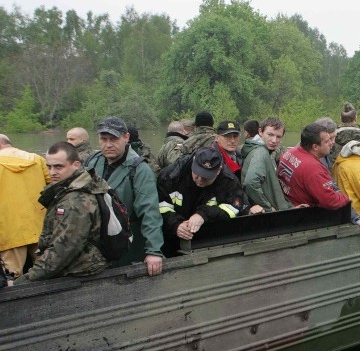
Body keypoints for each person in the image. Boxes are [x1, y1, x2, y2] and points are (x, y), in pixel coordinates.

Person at [17, 142, 109, 282]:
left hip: (79, 270)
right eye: (49, 166)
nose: (52, 172)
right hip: (75, 264)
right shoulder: (68, 188)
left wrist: (27, 279)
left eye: (59, 166)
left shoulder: (75, 201)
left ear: (76, 164)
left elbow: (64, 250)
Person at [85, 117, 164, 276]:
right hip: (97, 241)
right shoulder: (93, 161)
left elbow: (150, 212)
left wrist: (154, 251)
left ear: (126, 138)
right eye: (103, 139)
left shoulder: (140, 170)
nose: (108, 144)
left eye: (113, 139)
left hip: (127, 242)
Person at [157, 147, 262, 246]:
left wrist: (204, 214)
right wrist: (176, 225)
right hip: (170, 236)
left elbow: (234, 207)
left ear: (219, 170)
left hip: (209, 237)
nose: (200, 179)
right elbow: (160, 206)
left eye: (206, 177)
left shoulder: (229, 181)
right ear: (193, 162)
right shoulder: (171, 175)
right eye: (197, 173)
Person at [277, 123, 360, 230]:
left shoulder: (291, 152)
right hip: (305, 219)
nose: (331, 143)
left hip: (290, 206)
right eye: (327, 141)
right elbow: (330, 201)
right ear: (315, 147)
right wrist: (346, 198)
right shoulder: (313, 169)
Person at [0, 133, 51, 278]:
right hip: (39, 228)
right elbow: (54, 185)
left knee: (11, 276)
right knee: (46, 271)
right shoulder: (37, 159)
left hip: (9, 232)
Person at [241, 117, 292, 212]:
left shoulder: (263, 150)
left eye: (278, 136)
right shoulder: (260, 153)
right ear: (260, 132)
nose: (274, 140)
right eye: (270, 135)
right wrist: (267, 207)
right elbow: (250, 183)